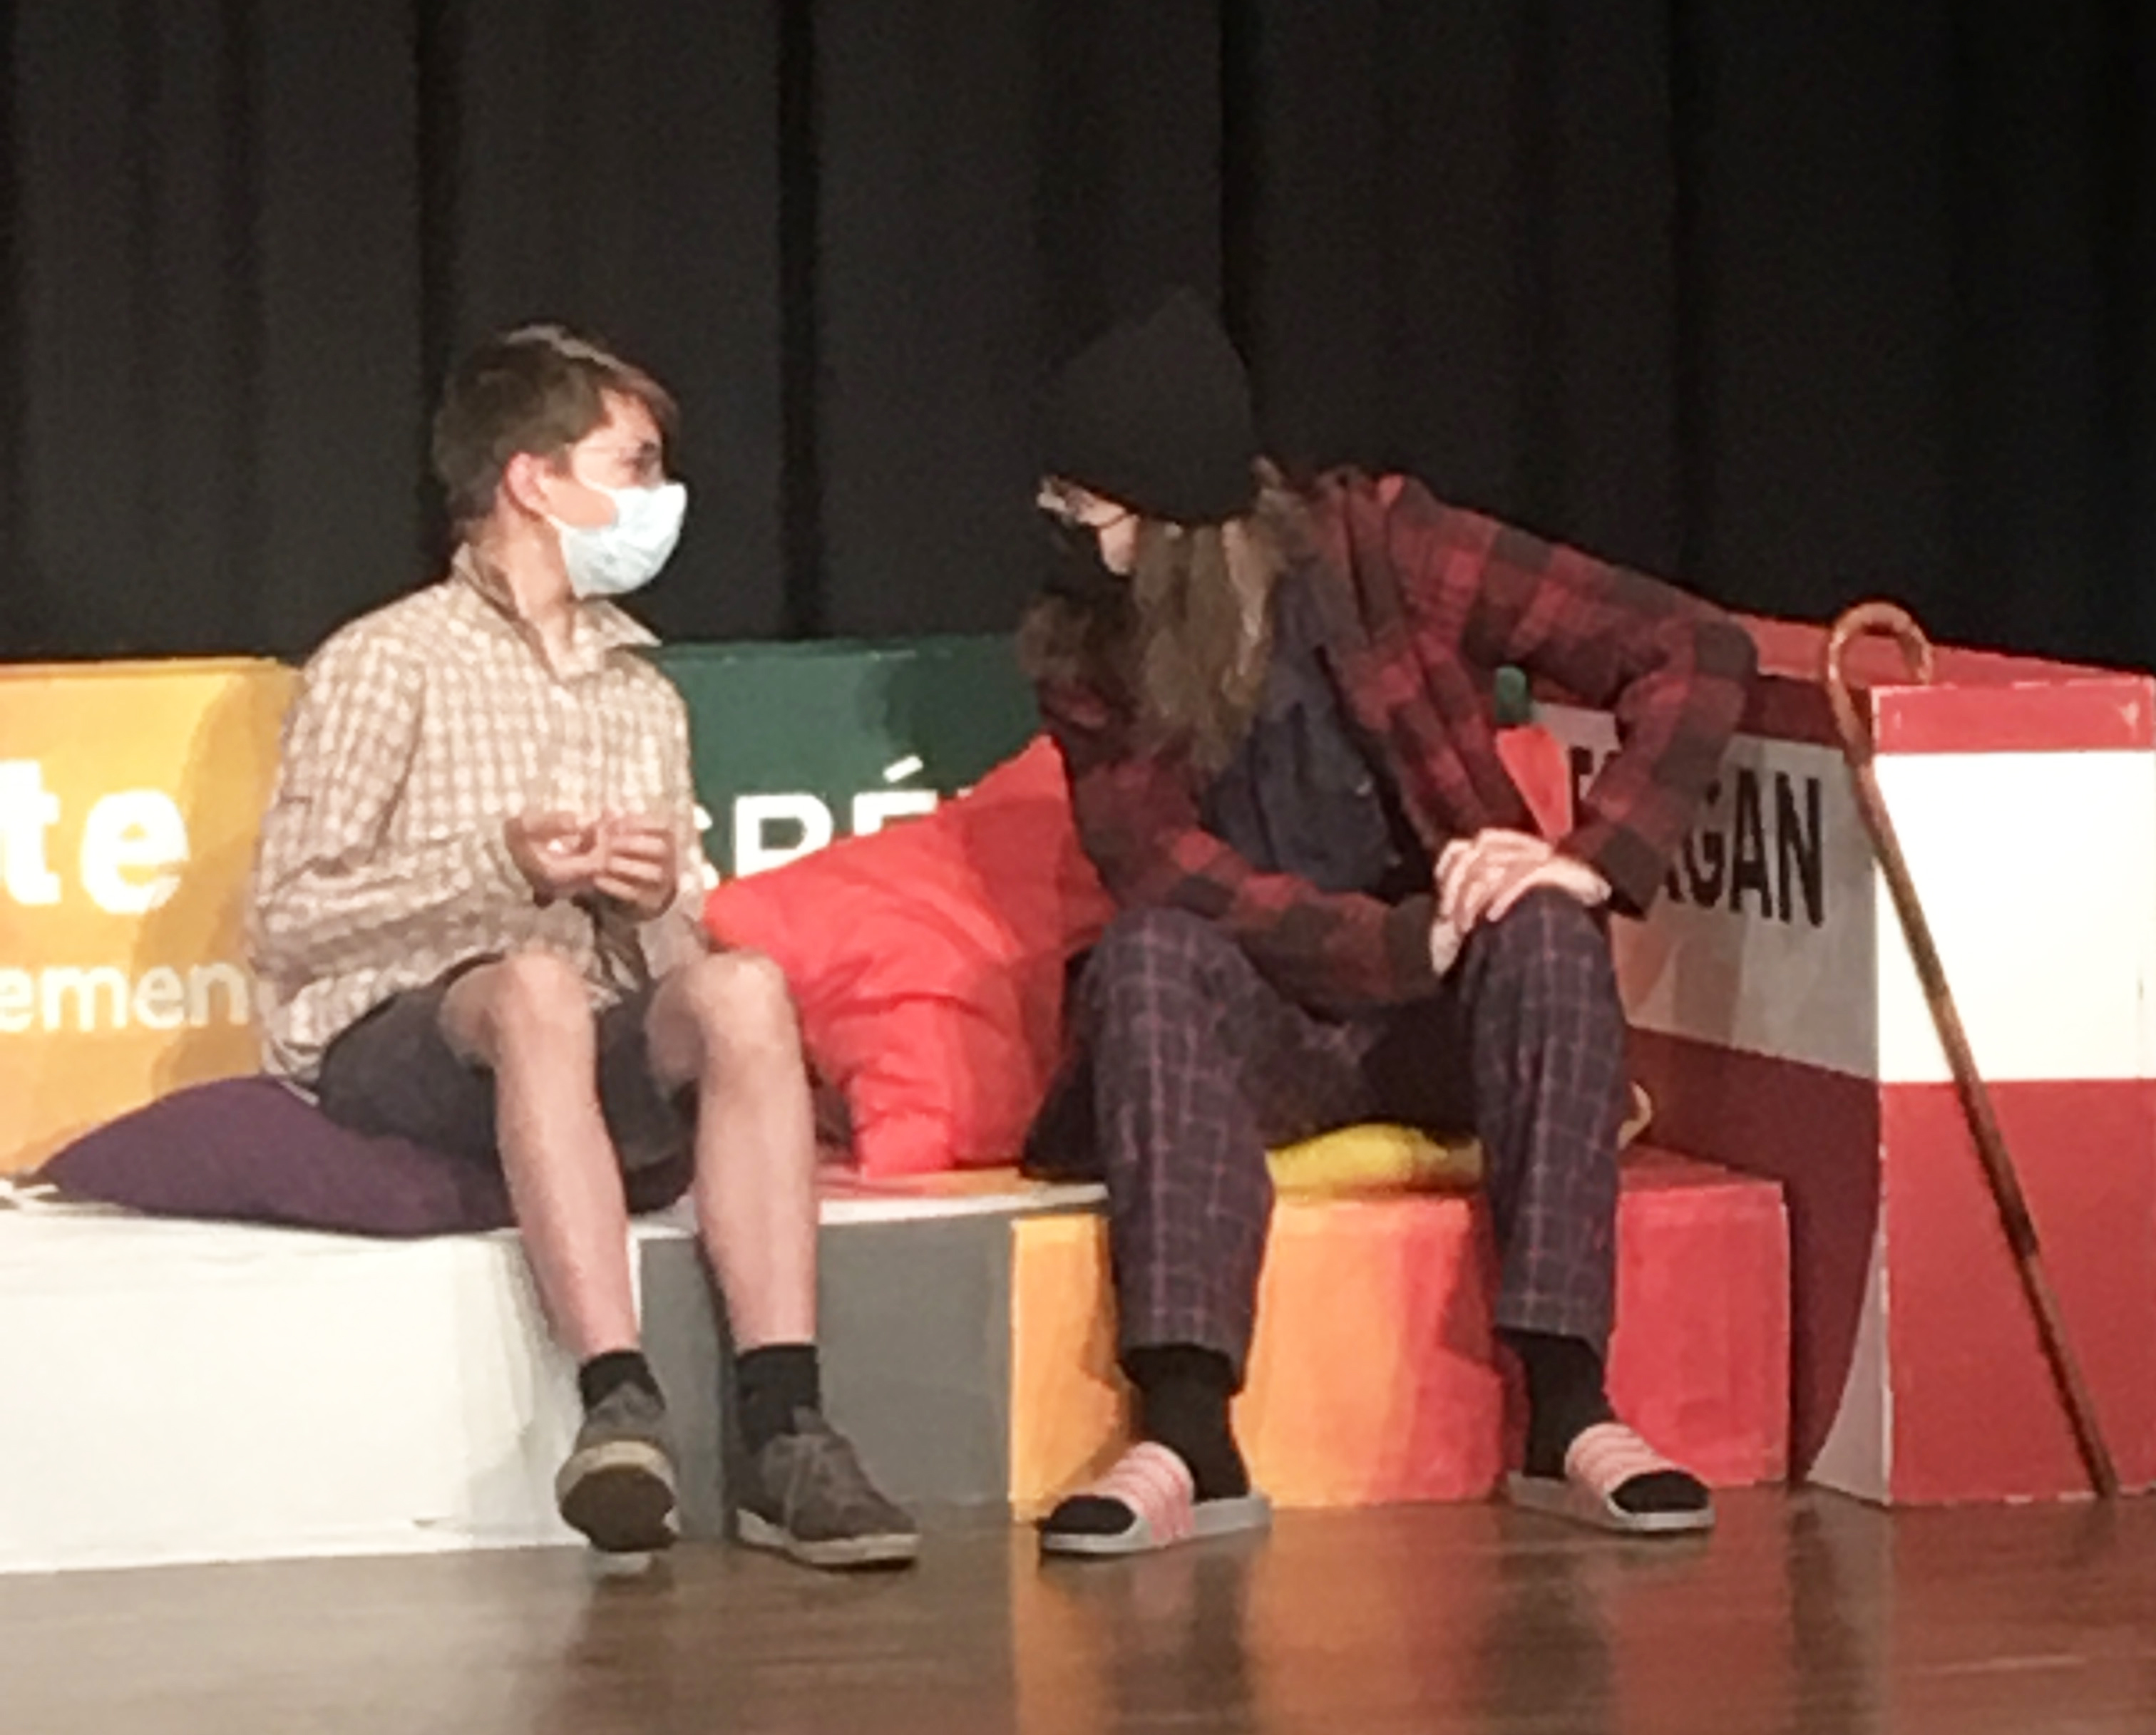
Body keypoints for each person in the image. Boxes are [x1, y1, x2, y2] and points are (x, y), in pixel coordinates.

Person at [1020, 289, 1756, 1555]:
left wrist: (1592, 859)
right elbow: (1166, 868)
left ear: (1170, 512)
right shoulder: (1086, 648)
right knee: (1144, 957)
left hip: (1447, 1021)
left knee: (1545, 931)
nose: (1061, 530)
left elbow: (1695, 647)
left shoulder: (1386, 552)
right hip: (1268, 1027)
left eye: (1082, 506)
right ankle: (1188, 1432)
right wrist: (1397, 943)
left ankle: (1568, 1411)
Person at [249, 323, 916, 1571]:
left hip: (577, 1029)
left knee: (741, 989)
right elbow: (289, 916)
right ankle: (618, 1401)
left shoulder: (638, 691)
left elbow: (667, 956)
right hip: (400, 1032)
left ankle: (786, 1426)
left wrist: (656, 897)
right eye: (635, 465)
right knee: (537, 988)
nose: (661, 498)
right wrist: (500, 865)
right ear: (533, 480)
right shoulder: (386, 661)